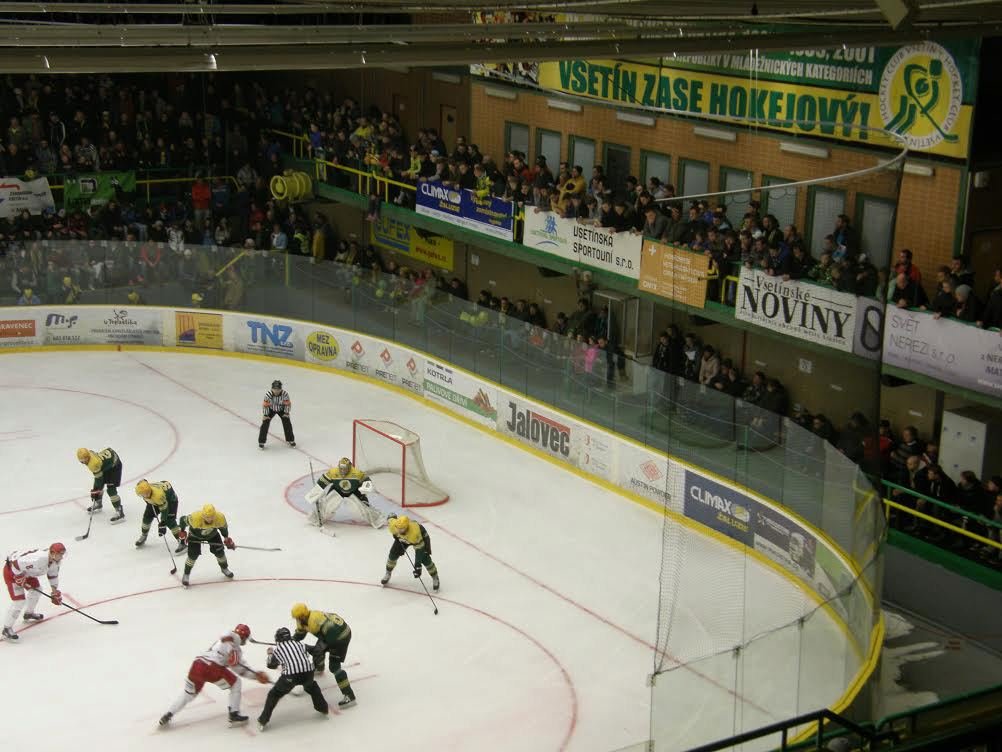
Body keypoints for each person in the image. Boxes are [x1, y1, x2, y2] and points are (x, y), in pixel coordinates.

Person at [158, 624, 269, 729]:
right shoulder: (230, 637)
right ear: (243, 637)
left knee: (188, 694)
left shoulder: (234, 648)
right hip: (212, 668)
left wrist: (256, 675)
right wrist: (232, 652)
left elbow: (241, 669)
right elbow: (228, 639)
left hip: (197, 665)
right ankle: (234, 714)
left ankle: (168, 714)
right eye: (245, 639)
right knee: (236, 683)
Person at [257, 626, 330, 731]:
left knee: (274, 694)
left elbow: (271, 665)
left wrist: (270, 654)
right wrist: (317, 664)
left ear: (278, 639)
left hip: (290, 677)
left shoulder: (278, 650)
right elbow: (315, 650)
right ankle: (323, 708)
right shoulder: (300, 644)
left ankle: (263, 720)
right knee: (312, 687)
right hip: (308, 673)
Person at [290, 603, 357, 709]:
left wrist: (311, 649)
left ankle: (349, 696)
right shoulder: (304, 620)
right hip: (330, 634)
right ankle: (319, 667)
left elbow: (328, 642)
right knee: (318, 651)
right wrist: (289, 642)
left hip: (340, 637)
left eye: (298, 617)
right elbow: (300, 634)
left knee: (334, 667)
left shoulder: (315, 621)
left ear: (303, 615)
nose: (297, 620)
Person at [3, 542, 65, 641]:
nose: (61, 557)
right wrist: (18, 577)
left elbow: (52, 576)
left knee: (37, 590)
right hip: (12, 572)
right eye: (60, 554)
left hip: (27, 573)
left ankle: (28, 613)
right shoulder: (38, 559)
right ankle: (7, 628)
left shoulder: (54, 562)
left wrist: (54, 592)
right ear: (53, 553)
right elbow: (15, 564)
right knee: (19, 601)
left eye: (62, 554)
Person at [305, 457, 385, 529]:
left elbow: (367, 480)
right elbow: (322, 482)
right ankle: (316, 518)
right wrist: (317, 490)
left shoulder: (356, 473)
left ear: (349, 467)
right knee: (328, 505)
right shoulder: (333, 472)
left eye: (345, 468)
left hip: (354, 491)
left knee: (362, 509)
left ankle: (378, 519)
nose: (342, 470)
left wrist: (366, 487)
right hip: (337, 490)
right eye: (341, 468)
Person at [177, 504, 235, 587]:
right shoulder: (195, 518)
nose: (209, 519)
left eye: (211, 516)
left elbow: (223, 528)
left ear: (214, 515)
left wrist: (226, 538)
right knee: (192, 555)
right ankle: (186, 574)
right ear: (203, 515)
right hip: (195, 536)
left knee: (220, 553)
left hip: (213, 535)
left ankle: (224, 568)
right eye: (207, 517)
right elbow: (183, 520)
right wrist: (182, 531)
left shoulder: (220, 517)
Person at [381, 514, 440, 591]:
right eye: (398, 528)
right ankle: (388, 572)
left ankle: (435, 576)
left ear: (406, 527)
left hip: (420, 539)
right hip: (403, 539)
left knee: (425, 558)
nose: (399, 530)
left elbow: (419, 550)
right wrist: (392, 518)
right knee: (393, 554)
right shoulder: (393, 526)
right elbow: (390, 518)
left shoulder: (414, 532)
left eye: (401, 529)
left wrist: (418, 566)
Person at [134, 479, 187, 553]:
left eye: (145, 493)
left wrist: (163, 523)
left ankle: (182, 542)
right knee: (147, 516)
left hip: (170, 500)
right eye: (142, 494)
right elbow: (143, 481)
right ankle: (144, 535)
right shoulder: (145, 491)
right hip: (155, 501)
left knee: (170, 521)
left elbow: (164, 510)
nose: (144, 495)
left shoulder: (158, 495)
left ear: (149, 490)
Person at [76, 447, 125, 523]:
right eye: (82, 460)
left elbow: (98, 479)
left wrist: (95, 491)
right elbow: (99, 479)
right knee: (99, 486)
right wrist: (96, 490)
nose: (84, 462)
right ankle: (98, 503)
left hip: (115, 466)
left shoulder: (93, 463)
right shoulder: (90, 453)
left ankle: (119, 511)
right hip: (106, 466)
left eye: (84, 459)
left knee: (111, 489)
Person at [259, 380, 295, 449]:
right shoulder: (268, 395)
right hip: (271, 409)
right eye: (275, 389)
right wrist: (266, 415)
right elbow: (265, 405)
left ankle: (290, 440)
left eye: (278, 389)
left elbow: (287, 404)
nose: (276, 391)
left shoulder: (285, 394)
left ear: (281, 389)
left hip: (281, 409)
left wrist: (286, 413)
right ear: (272, 389)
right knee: (265, 423)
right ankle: (261, 441)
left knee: (287, 422)